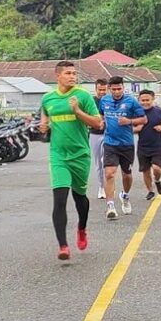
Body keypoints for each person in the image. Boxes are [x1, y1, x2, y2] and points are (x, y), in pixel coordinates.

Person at [40, 61, 102, 259]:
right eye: (68, 73)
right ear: (57, 76)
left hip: (80, 154)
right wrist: (44, 126)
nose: (72, 76)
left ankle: (82, 228)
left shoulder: (82, 96)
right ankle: (63, 246)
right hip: (58, 155)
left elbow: (98, 123)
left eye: (74, 73)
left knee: (80, 198)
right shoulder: (47, 98)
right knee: (59, 199)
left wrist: (77, 111)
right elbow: (44, 118)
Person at [99, 76, 146, 218]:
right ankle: (110, 206)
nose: (117, 91)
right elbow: (100, 115)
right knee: (109, 173)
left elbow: (143, 119)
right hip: (109, 142)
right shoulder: (104, 101)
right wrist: (101, 122)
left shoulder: (131, 101)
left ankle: (125, 196)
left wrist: (129, 121)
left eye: (119, 89)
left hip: (126, 144)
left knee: (127, 175)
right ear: (109, 89)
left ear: (123, 87)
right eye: (114, 89)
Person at [136, 90, 161, 200]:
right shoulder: (136, 113)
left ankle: (157, 180)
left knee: (156, 168)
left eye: (147, 100)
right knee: (145, 171)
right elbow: (128, 127)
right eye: (143, 100)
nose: (145, 102)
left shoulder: (158, 112)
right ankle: (150, 191)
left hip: (156, 147)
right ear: (139, 100)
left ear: (153, 99)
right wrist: (136, 129)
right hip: (142, 147)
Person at [89, 78, 108, 199]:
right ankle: (101, 187)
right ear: (96, 89)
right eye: (100, 90)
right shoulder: (91, 101)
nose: (102, 92)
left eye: (104, 90)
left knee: (106, 161)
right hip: (95, 134)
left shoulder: (110, 100)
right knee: (98, 163)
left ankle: (108, 185)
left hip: (109, 134)